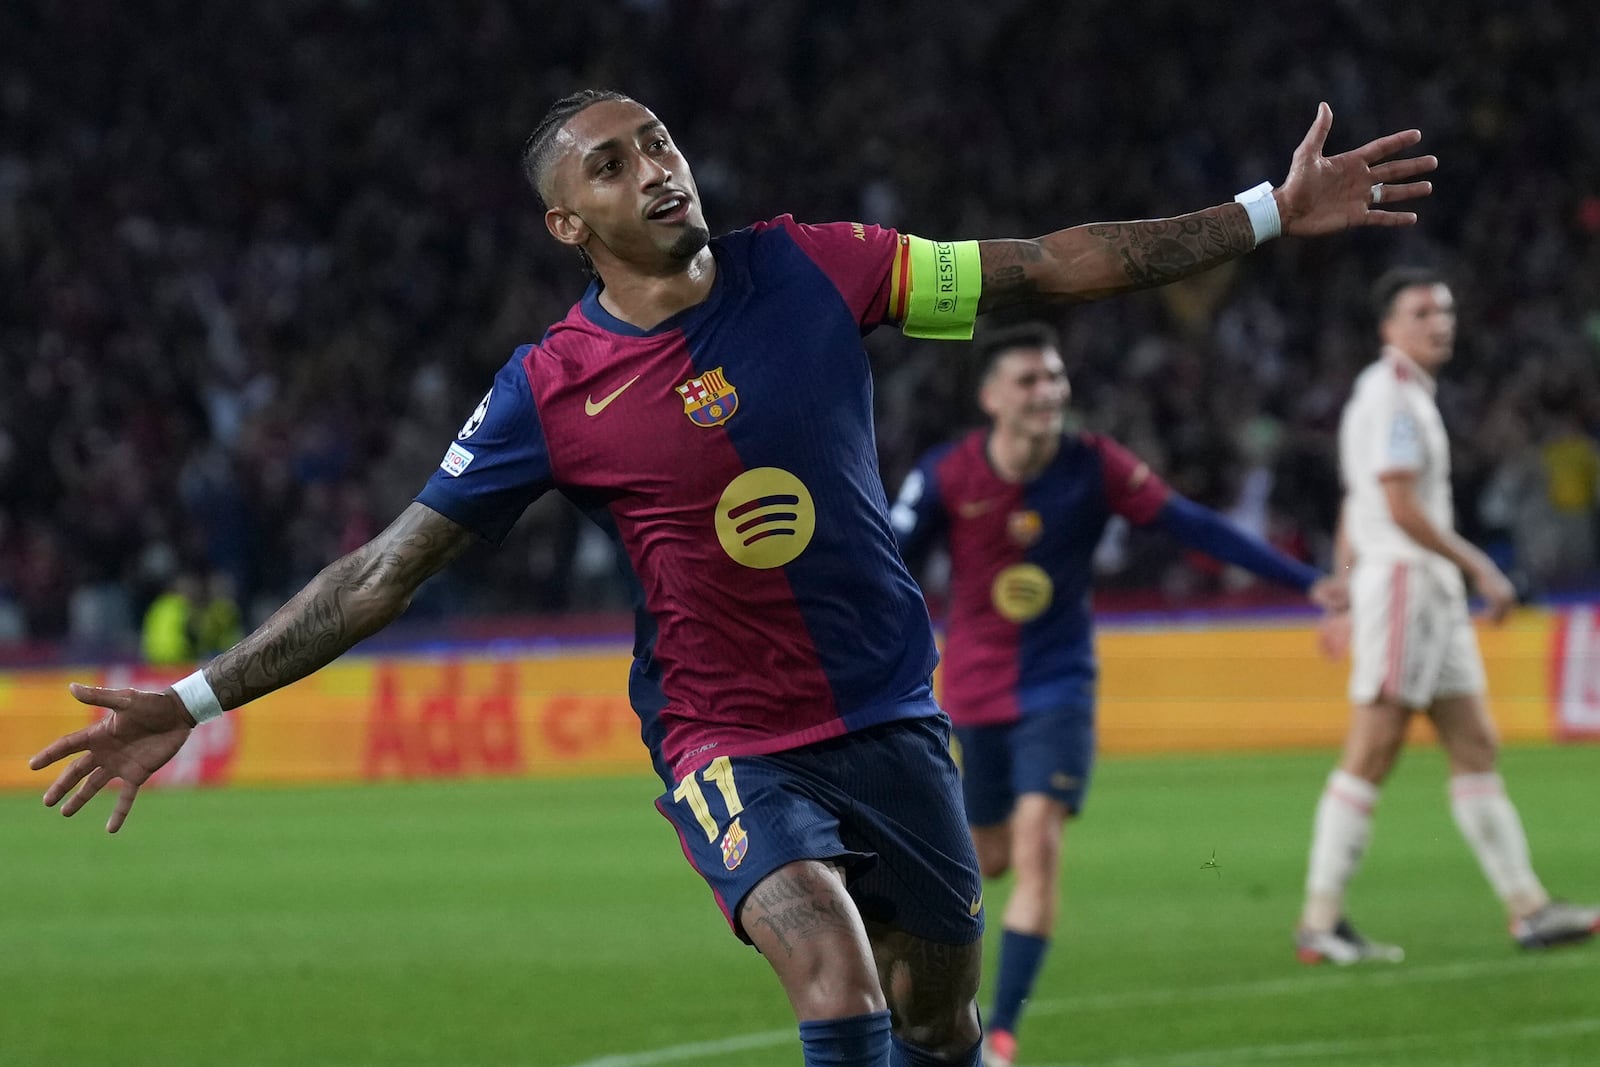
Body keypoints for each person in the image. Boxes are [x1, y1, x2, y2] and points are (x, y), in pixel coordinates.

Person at [29, 89, 1435, 1067]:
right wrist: (198, 693)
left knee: (939, 1016)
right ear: (568, 225)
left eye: (657, 141)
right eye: (612, 165)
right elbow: (387, 569)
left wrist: (1260, 210)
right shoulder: (550, 390)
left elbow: (1044, 270)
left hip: (891, 709)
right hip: (728, 733)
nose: (656, 167)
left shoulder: (824, 268)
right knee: (831, 964)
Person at [891, 322, 1345, 1066]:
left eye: (1055, 379)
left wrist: (1305, 581)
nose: (1049, 393)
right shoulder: (947, 475)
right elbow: (885, 559)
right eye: (1031, 381)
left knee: (1038, 844)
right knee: (988, 858)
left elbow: (1191, 521)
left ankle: (999, 1033)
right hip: (973, 690)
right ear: (992, 397)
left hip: (1060, 683)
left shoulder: (1094, 464)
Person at [1296, 267, 1600, 964]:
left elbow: (1357, 501)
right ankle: (1319, 920)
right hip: (1408, 585)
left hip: (1421, 590)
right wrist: (1482, 567)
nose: (1440, 321)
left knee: (1475, 741)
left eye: (1447, 310)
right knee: (1373, 748)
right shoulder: (1395, 399)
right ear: (1389, 327)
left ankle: (1529, 908)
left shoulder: (1395, 396)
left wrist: (1342, 589)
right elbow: (1398, 507)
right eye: (1422, 311)